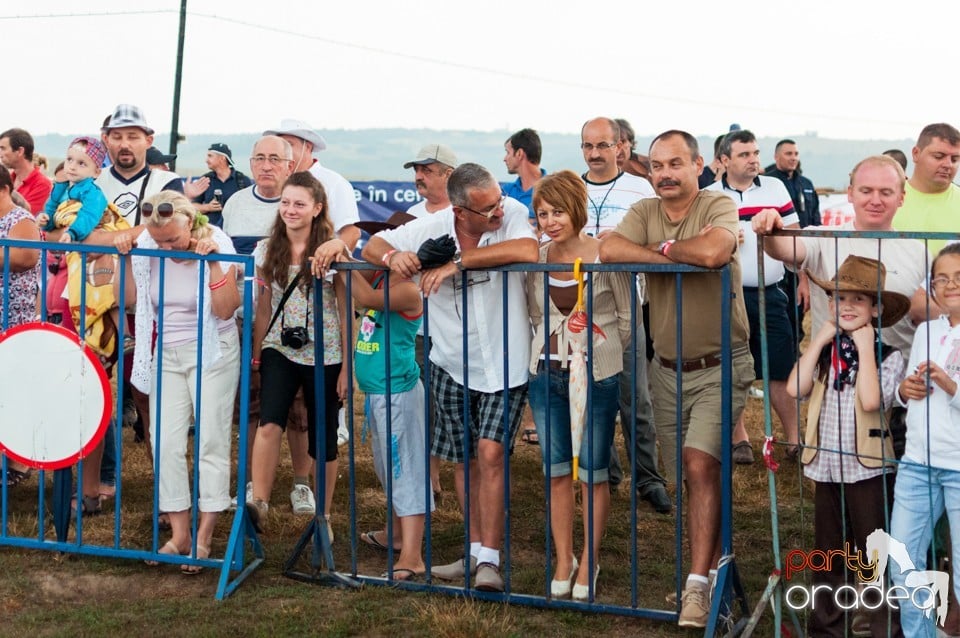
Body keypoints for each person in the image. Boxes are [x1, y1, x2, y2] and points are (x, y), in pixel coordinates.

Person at [599, 130, 754, 628]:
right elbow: (608, 249)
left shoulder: (718, 203)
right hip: (664, 370)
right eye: (658, 165)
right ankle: (708, 577)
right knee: (689, 477)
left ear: (699, 165)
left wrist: (661, 248)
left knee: (698, 464)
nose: (665, 173)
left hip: (719, 364)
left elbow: (713, 252)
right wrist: (672, 254)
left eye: (675, 164)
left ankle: (695, 589)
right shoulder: (644, 209)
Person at [361, 163, 538, 592]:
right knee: (464, 459)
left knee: (491, 452)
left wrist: (457, 262)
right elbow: (374, 246)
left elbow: (529, 251)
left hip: (505, 361)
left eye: (498, 202)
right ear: (460, 211)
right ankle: (475, 551)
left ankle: (491, 561)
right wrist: (392, 257)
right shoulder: (432, 224)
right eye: (487, 209)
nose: (498, 212)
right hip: (451, 362)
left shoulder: (511, 211)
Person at [113, 191, 241, 571]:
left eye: (173, 240)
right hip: (165, 352)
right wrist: (123, 258)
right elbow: (129, 300)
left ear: (191, 222)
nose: (167, 247)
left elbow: (226, 309)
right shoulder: (147, 247)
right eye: (161, 241)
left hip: (212, 350)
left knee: (210, 441)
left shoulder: (217, 242)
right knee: (164, 442)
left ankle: (204, 536)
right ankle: (180, 533)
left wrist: (215, 265)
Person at [787, 255, 909, 637]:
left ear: (876, 308)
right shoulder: (824, 352)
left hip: (870, 469)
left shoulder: (889, 356)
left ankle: (882, 628)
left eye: (859, 300)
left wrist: (866, 347)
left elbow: (872, 401)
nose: (848, 307)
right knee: (828, 554)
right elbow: (794, 389)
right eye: (840, 298)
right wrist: (819, 339)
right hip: (827, 466)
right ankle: (826, 628)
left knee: (874, 555)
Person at [527, 170, 631, 600]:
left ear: (577, 209)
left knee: (592, 471)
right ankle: (563, 557)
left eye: (558, 211)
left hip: (595, 374)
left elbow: (626, 318)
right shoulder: (536, 256)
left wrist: (596, 351)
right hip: (545, 372)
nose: (550, 221)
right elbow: (536, 314)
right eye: (542, 213)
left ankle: (590, 558)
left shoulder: (605, 254)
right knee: (554, 470)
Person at [245, 172, 349, 535]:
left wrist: (346, 368)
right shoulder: (266, 249)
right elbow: (263, 305)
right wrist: (256, 355)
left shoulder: (333, 252)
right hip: (279, 348)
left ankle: (324, 517)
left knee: (324, 436)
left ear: (317, 208)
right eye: (285, 202)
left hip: (326, 352)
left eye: (299, 204)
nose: (290, 210)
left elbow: (344, 305)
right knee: (269, 421)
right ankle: (259, 503)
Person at [580, 116, 669, 513]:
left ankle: (649, 479)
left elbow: (655, 238)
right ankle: (606, 473)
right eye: (588, 146)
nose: (595, 154)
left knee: (636, 397)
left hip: (627, 305)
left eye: (602, 145)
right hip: (580, 307)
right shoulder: (572, 187)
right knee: (592, 397)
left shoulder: (640, 188)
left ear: (620, 147)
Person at [343, 212, 432, 580]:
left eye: (387, 244)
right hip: (379, 391)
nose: (376, 251)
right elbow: (358, 282)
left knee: (405, 467)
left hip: (399, 392)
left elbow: (361, 296)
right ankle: (395, 535)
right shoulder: (379, 274)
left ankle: (412, 555)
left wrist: (340, 258)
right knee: (386, 467)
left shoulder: (410, 289)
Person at [705, 129, 800, 462]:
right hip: (726, 294)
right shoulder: (710, 195)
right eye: (745, 154)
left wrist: (800, 277)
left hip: (771, 292)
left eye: (755, 153)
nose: (754, 159)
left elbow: (794, 236)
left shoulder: (776, 187)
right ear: (724, 160)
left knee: (780, 366)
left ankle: (794, 439)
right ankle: (739, 438)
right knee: (731, 366)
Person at [891, 244, 960, 637]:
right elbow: (905, 396)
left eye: (959, 278)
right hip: (917, 463)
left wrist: (949, 384)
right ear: (931, 287)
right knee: (903, 565)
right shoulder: (926, 331)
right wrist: (905, 390)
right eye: (942, 279)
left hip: (958, 467)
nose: (950, 285)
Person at [0, 165, 41, 488]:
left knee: (15, 392)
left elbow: (25, 257)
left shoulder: (21, 220)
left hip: (15, 319)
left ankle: (19, 463)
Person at [263, 119, 360, 251]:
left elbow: (351, 232)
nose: (284, 151)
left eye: (289, 145)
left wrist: (329, 263)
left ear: (308, 147)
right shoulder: (275, 181)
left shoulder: (334, 183)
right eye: (281, 146)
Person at [763, 138, 820, 344]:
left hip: (804, 254)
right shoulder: (768, 184)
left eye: (796, 154)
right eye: (788, 154)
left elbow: (815, 218)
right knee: (783, 305)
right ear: (776, 157)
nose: (793, 158)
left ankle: (797, 347)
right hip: (777, 255)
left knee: (801, 305)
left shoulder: (806, 184)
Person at [893, 123, 960, 255]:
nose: (948, 165)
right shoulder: (885, 200)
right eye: (938, 156)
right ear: (916, 153)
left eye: (954, 159)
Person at [37, 137, 109, 242]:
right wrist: (46, 220)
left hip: (83, 250)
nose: (72, 167)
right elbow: (51, 210)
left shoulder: (93, 194)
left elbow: (89, 215)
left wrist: (73, 233)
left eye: (81, 163)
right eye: (69, 160)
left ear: (96, 172)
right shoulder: (60, 188)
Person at [189, 143, 251, 227]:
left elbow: (252, 207)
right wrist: (207, 207)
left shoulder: (243, 181)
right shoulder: (205, 180)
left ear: (222, 158)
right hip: (211, 233)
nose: (206, 160)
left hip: (236, 232)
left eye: (210, 156)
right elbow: (191, 207)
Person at [0, 127, 52, 216]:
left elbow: (25, 217)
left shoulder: (42, 185)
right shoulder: (8, 179)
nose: (0, 154)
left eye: (3, 149)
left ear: (20, 151)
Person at [502, 128, 545, 219]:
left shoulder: (554, 191)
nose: (505, 159)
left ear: (519, 154)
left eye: (508, 152)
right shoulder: (505, 192)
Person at [405, 144, 457, 218]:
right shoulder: (412, 213)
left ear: (448, 174)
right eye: (416, 170)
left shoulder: (464, 214)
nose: (418, 177)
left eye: (426, 170)